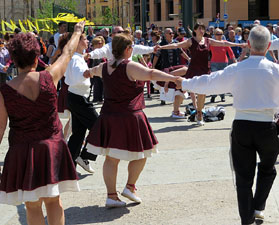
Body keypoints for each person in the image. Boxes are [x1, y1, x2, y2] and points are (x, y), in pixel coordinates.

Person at [175, 25, 279, 225]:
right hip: (267, 126)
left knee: (243, 177)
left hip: (242, 125)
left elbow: (209, 82)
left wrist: (184, 83)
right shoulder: (277, 70)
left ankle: (247, 218)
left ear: (248, 44)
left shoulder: (236, 69)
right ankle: (258, 206)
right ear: (269, 46)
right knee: (268, 169)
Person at [0, 21, 85, 225]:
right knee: (54, 202)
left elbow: (0, 129)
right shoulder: (50, 77)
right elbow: (68, 52)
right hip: (51, 148)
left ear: (13, 59)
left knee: (32, 205)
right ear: (37, 57)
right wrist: (77, 32)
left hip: (22, 151)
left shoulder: (5, 91)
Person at [83, 33, 178, 208]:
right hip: (130, 116)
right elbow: (150, 74)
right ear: (127, 49)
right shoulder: (129, 66)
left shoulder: (104, 67)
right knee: (142, 153)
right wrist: (173, 78)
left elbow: (88, 72)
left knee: (111, 158)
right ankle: (130, 187)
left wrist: (87, 72)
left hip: (109, 116)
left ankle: (111, 196)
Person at [159, 23, 246, 125]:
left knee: (202, 92)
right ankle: (181, 110)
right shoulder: (190, 41)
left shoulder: (208, 41)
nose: (202, 30)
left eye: (203, 29)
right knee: (187, 91)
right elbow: (176, 45)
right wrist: (161, 47)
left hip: (204, 70)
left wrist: (239, 44)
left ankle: (199, 114)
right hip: (193, 70)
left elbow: (224, 43)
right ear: (195, 30)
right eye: (200, 28)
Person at [65, 32, 99, 174]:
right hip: (79, 98)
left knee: (78, 133)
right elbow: (80, 76)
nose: (87, 41)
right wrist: (93, 71)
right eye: (85, 39)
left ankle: (70, 165)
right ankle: (84, 156)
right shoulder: (75, 59)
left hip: (78, 96)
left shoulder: (77, 57)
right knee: (99, 126)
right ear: (78, 42)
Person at [85, 26, 159, 61]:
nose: (123, 33)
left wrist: (152, 49)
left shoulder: (129, 45)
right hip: (115, 79)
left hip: (128, 78)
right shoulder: (109, 47)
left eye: (123, 32)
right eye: (120, 32)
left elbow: (139, 48)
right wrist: (90, 55)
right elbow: (100, 52)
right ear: (113, 35)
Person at [209, 28, 236, 102]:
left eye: (221, 34)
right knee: (215, 80)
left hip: (224, 63)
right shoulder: (211, 43)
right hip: (214, 63)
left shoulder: (224, 42)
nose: (219, 36)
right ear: (214, 35)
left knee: (222, 80)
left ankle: (222, 96)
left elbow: (230, 52)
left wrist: (234, 60)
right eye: (217, 34)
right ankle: (213, 95)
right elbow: (206, 52)